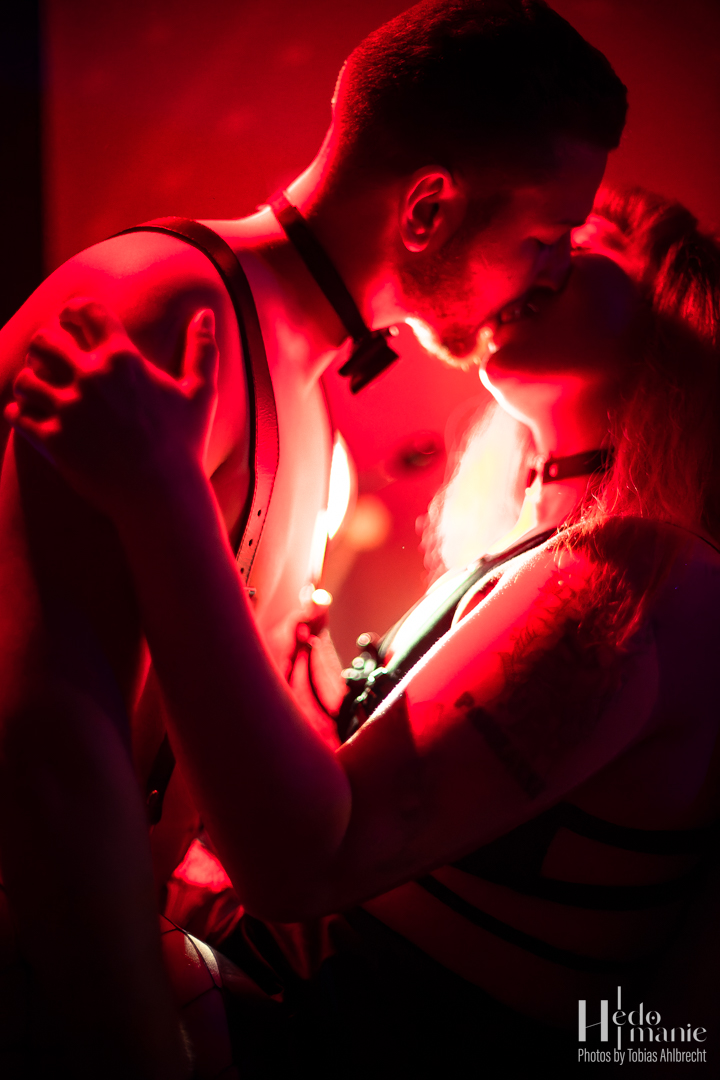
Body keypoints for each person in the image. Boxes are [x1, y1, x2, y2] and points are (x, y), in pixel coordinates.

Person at [10, 179, 720, 1076]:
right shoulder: (522, 559)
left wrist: (166, 493)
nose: (546, 248)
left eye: (591, 232)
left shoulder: (642, 576)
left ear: (677, 305)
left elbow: (298, 864)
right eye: (540, 230)